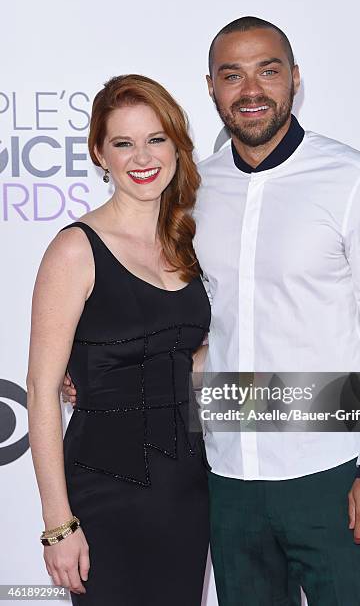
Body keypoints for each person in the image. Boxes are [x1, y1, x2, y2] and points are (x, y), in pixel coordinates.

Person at [63, 17, 360, 606]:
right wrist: (107, 377)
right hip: (227, 477)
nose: (250, 89)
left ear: (295, 80)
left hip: (333, 467)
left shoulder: (356, 180)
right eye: (232, 75)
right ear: (211, 87)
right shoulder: (194, 189)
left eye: (267, 71)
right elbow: (189, 319)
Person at [27, 74, 211, 606]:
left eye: (155, 139)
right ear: (100, 154)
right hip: (104, 491)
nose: (142, 157)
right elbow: (41, 390)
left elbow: (186, 360)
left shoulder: (187, 244)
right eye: (123, 143)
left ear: (176, 144)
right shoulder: (74, 249)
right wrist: (58, 525)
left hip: (186, 488)